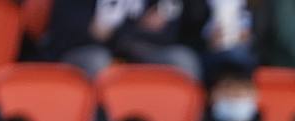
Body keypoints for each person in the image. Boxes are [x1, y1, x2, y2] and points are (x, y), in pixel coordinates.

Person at [49, 0, 201, 80]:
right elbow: (69, 24)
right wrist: (136, 27)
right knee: (99, 60)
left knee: (182, 59)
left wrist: (127, 31)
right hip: (80, 51)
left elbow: (167, 31)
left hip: (136, 50)